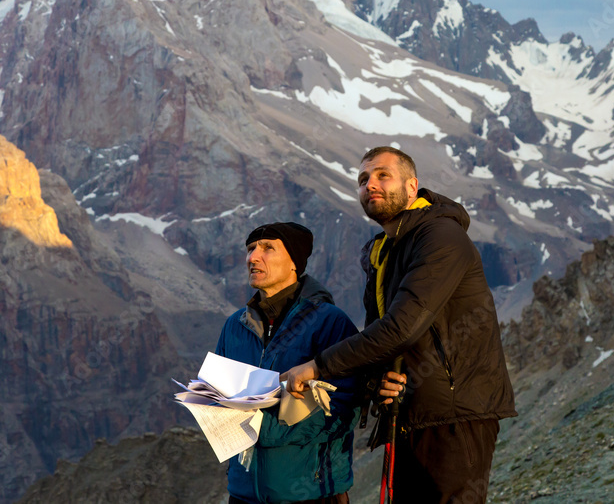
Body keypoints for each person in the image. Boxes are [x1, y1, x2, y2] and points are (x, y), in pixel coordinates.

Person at [284, 147, 516, 503]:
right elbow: (385, 339)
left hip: (455, 415)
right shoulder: (383, 252)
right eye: (363, 180)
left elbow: (400, 328)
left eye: (382, 175)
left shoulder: (441, 236)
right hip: (409, 412)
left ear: (412, 187)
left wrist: (318, 366)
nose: (370, 185)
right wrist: (380, 381)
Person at [215, 222, 359, 504]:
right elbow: (216, 401)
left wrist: (264, 430)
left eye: (268, 248)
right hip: (243, 495)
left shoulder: (330, 322)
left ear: (294, 262)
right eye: (250, 249)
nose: (253, 257)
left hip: (312, 494)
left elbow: (345, 407)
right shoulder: (234, 326)